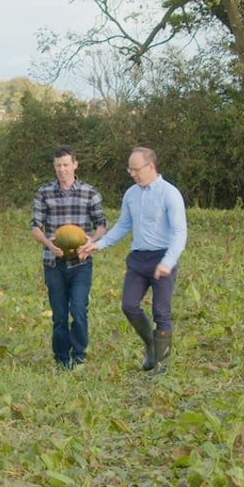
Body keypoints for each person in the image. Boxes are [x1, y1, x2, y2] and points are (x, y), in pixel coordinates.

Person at [81, 146, 187, 374]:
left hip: (162, 257)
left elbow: (180, 232)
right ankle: (151, 346)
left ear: (151, 167)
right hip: (138, 259)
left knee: (161, 312)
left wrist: (168, 262)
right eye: (130, 169)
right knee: (128, 305)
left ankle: (160, 367)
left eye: (136, 169)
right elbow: (123, 225)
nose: (132, 174)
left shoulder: (170, 194)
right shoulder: (131, 194)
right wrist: (99, 244)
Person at [31, 144, 107, 369]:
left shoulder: (90, 193)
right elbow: (35, 226)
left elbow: (101, 224)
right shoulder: (44, 193)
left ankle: (79, 356)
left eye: (66, 165)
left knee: (79, 311)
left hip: (81, 263)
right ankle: (62, 360)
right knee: (60, 316)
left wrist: (91, 242)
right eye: (58, 166)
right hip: (53, 263)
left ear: (75, 165)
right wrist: (48, 243)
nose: (62, 170)